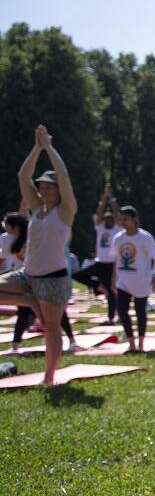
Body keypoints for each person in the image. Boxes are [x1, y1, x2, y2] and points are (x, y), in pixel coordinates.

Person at [0, 127, 78, 383]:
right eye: (41, 187)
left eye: (49, 188)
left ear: (58, 191)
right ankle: (31, 303)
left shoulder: (66, 211)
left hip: (53, 279)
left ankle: (49, 376)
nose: (43, 191)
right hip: (28, 275)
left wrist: (50, 149)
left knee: (51, 328)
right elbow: (23, 177)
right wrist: (37, 148)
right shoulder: (36, 209)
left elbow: (64, 176)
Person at [107, 206, 155, 353]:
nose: (123, 222)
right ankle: (131, 343)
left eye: (126, 219)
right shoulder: (118, 238)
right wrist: (113, 277)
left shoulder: (144, 237)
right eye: (121, 219)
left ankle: (141, 344)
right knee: (122, 311)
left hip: (141, 281)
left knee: (140, 312)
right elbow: (116, 259)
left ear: (134, 220)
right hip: (123, 281)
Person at [72, 183, 121, 321]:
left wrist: (111, 199)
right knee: (77, 275)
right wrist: (103, 199)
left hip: (111, 264)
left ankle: (111, 317)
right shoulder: (100, 228)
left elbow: (117, 213)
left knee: (111, 292)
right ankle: (97, 285)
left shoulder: (117, 229)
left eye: (110, 219)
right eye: (106, 219)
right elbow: (98, 213)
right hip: (99, 263)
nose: (108, 221)